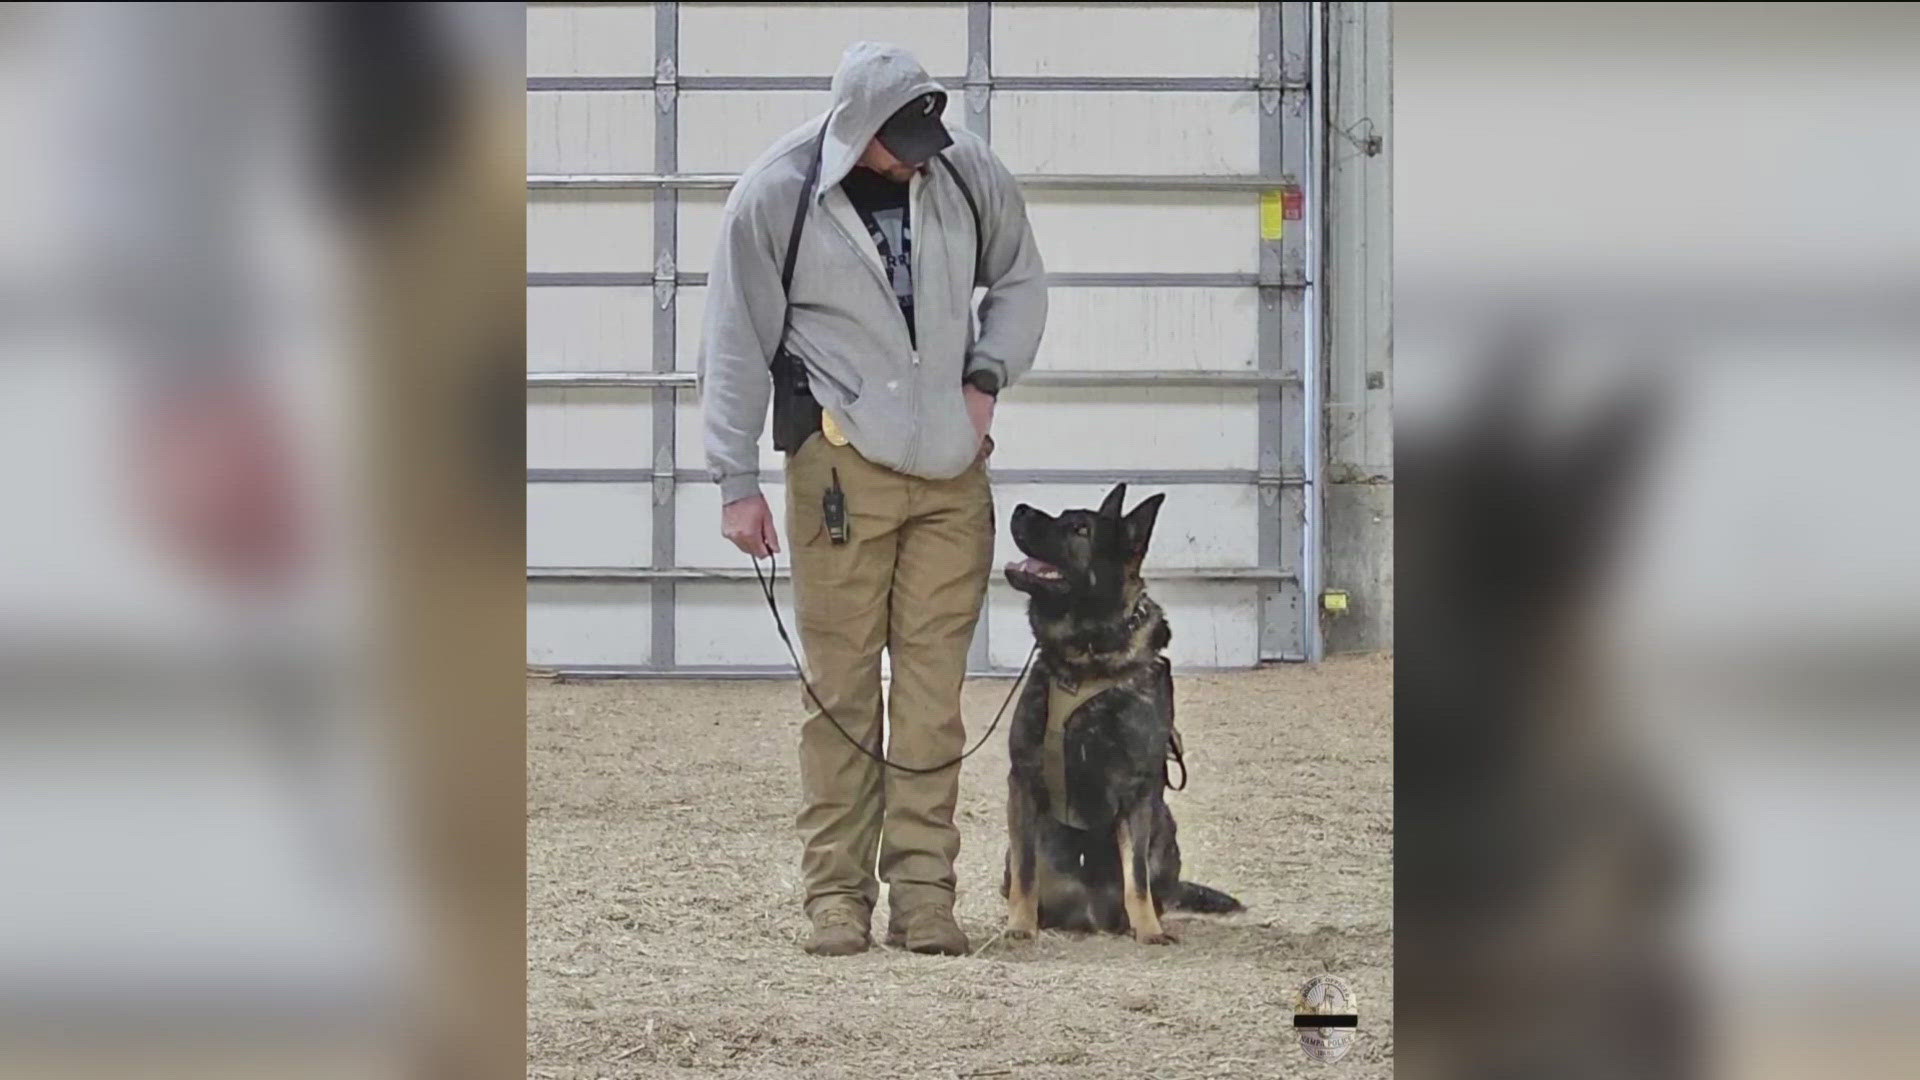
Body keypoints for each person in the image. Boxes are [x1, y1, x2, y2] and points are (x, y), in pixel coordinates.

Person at [700, 41, 1046, 956]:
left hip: (950, 477)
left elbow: (1018, 281)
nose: (919, 154)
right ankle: (835, 898)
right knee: (843, 694)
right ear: (857, 129)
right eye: (900, 140)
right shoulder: (775, 196)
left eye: (927, 135)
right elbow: (734, 342)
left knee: (933, 699)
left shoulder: (968, 174)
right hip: (838, 478)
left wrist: (985, 378)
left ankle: (925, 897)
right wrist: (735, 481)